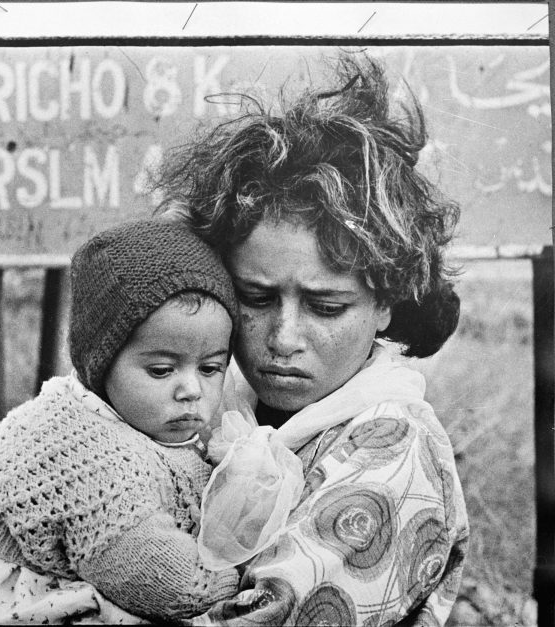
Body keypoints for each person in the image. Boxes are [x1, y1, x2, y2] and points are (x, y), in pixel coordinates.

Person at [153, 55, 470, 626]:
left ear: (385, 304)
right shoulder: (216, 404)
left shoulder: (393, 452)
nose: (283, 338)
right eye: (254, 297)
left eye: (326, 307)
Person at [0, 219, 242, 623]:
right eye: (162, 370)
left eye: (211, 368)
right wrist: (243, 577)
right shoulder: (89, 454)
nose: (191, 389)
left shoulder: (144, 417)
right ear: (101, 363)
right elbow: (170, 585)